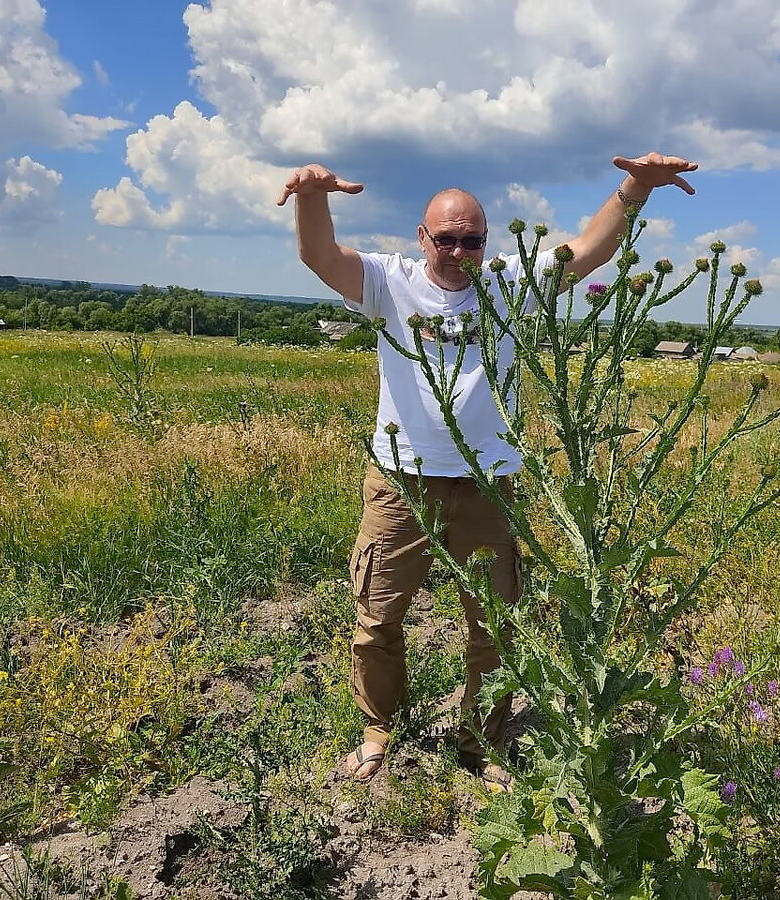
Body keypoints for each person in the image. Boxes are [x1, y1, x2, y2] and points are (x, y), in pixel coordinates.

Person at [275, 153, 697, 785]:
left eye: (471, 239)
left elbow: (586, 252)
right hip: (400, 482)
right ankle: (377, 727)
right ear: (422, 238)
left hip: (487, 487)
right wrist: (312, 197)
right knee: (378, 617)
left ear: (486, 242)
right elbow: (321, 256)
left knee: (496, 625)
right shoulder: (388, 282)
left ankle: (482, 740)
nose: (458, 251)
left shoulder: (508, 282)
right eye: (445, 238)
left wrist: (637, 186)